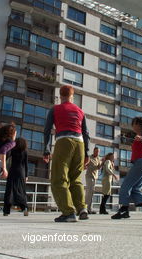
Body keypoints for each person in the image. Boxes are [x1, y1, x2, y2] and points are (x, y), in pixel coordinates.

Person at [43, 85, 90, 222]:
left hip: (64, 141)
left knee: (59, 178)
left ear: (60, 95)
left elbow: (47, 130)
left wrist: (46, 149)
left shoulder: (55, 109)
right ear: (72, 96)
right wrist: (87, 154)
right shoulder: (80, 111)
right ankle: (82, 209)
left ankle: (69, 212)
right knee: (76, 179)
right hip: (80, 144)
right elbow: (86, 133)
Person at [111, 117, 142, 220]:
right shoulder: (137, 136)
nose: (132, 126)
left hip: (141, 163)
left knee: (125, 186)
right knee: (135, 189)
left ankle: (124, 210)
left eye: (134, 124)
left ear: (139, 125)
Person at [3, 137, 29, 216]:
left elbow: (6, 157)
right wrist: (26, 176)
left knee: (9, 190)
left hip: (12, 171)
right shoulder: (25, 151)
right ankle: (25, 208)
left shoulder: (13, 150)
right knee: (21, 190)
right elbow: (26, 165)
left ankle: (6, 211)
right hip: (21, 172)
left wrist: (3, 169)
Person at [85, 147, 102, 214]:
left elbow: (99, 167)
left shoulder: (98, 158)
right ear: (94, 151)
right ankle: (85, 208)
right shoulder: (90, 158)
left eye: (98, 152)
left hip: (95, 177)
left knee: (91, 193)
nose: (97, 153)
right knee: (88, 193)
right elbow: (89, 166)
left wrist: (102, 163)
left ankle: (89, 209)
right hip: (89, 176)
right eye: (96, 151)